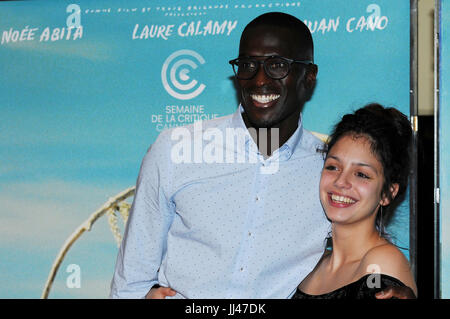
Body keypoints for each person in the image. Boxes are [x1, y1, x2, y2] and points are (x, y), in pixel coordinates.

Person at [110, 12, 413, 299]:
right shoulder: (175, 150)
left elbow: (368, 256)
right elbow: (131, 282)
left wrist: (390, 284)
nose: (259, 80)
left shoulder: (326, 170)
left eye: (277, 65)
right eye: (247, 65)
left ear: (309, 77)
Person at [293, 104, 418, 299]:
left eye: (361, 174)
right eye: (333, 167)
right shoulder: (312, 264)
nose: (341, 182)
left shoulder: (381, 263)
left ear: (388, 193)